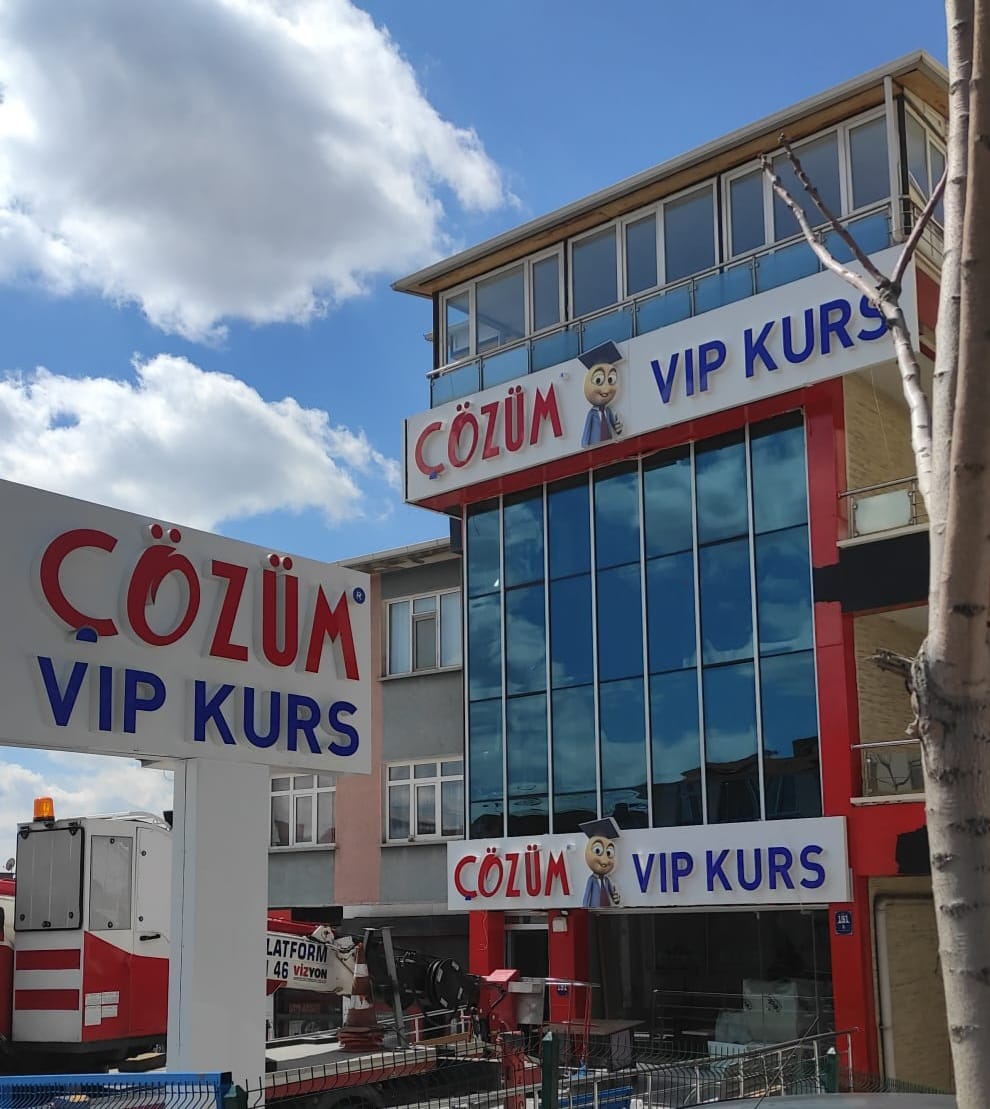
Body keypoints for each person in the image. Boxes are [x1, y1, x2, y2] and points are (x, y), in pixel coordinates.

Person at [579, 342, 624, 448]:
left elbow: (614, 425)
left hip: (609, 444)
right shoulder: (592, 413)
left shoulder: (608, 411)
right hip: (596, 444)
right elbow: (587, 429)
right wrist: (585, 444)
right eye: (598, 380)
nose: (606, 388)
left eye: (611, 380)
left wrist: (618, 429)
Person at [580, 816, 621, 907]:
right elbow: (587, 894)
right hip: (595, 908)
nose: (605, 860)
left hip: (607, 908)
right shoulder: (591, 879)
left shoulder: (607, 880)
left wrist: (616, 898)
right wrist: (585, 908)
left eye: (609, 853)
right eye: (598, 851)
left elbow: (612, 894)